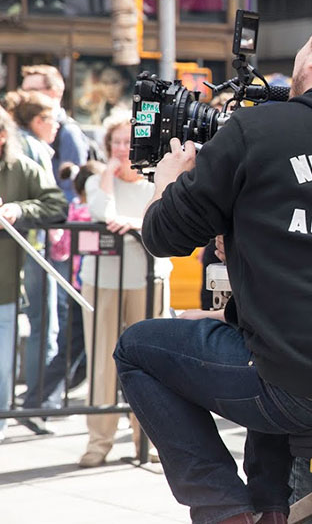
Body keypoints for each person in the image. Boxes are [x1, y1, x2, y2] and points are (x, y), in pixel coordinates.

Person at [113, 2, 312, 524]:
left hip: (299, 387)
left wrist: (167, 183)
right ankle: (270, 511)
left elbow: (163, 235)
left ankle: (225, 513)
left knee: (138, 347)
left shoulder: (261, 129)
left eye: (308, 43)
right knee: (258, 346)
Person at [76, 110, 173, 468]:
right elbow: (102, 212)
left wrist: (134, 223)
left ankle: (145, 441)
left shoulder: (155, 182)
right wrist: (106, 176)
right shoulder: (96, 180)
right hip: (101, 281)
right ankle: (98, 442)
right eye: (116, 141)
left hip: (149, 282)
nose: (122, 148)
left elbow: (158, 219)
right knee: (101, 362)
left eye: (128, 141)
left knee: (148, 366)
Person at [19, 65, 93, 420]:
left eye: (34, 88)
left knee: (61, 319)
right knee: (47, 319)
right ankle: (42, 397)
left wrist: (57, 225)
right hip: (40, 235)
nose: (26, 94)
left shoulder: (66, 132)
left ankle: (44, 398)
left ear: (56, 92)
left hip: (60, 237)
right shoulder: (26, 131)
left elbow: (70, 188)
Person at [0, 106, 67, 442]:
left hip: (6, 284)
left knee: (3, 361)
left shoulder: (21, 167)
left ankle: (6, 418)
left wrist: (18, 210)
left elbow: (56, 205)